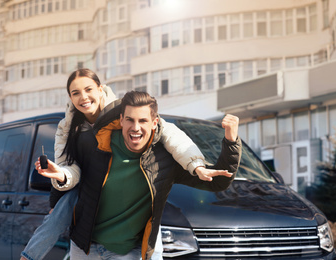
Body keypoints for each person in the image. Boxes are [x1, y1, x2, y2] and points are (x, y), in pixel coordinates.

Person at [20, 69, 219, 260]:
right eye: (76, 93)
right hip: (88, 191)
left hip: (128, 205)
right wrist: (60, 176)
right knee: (59, 211)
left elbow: (171, 135)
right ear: (70, 98)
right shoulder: (68, 128)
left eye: (88, 89)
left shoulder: (125, 112)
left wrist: (196, 164)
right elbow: (69, 167)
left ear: (100, 88)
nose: (83, 97)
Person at [49, 90, 242, 259]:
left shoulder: (166, 159)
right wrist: (54, 200)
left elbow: (217, 183)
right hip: (85, 249)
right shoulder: (97, 145)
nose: (135, 127)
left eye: (143, 121)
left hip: (128, 252)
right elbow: (72, 175)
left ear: (154, 123)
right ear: (121, 120)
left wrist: (231, 141)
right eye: (130, 120)